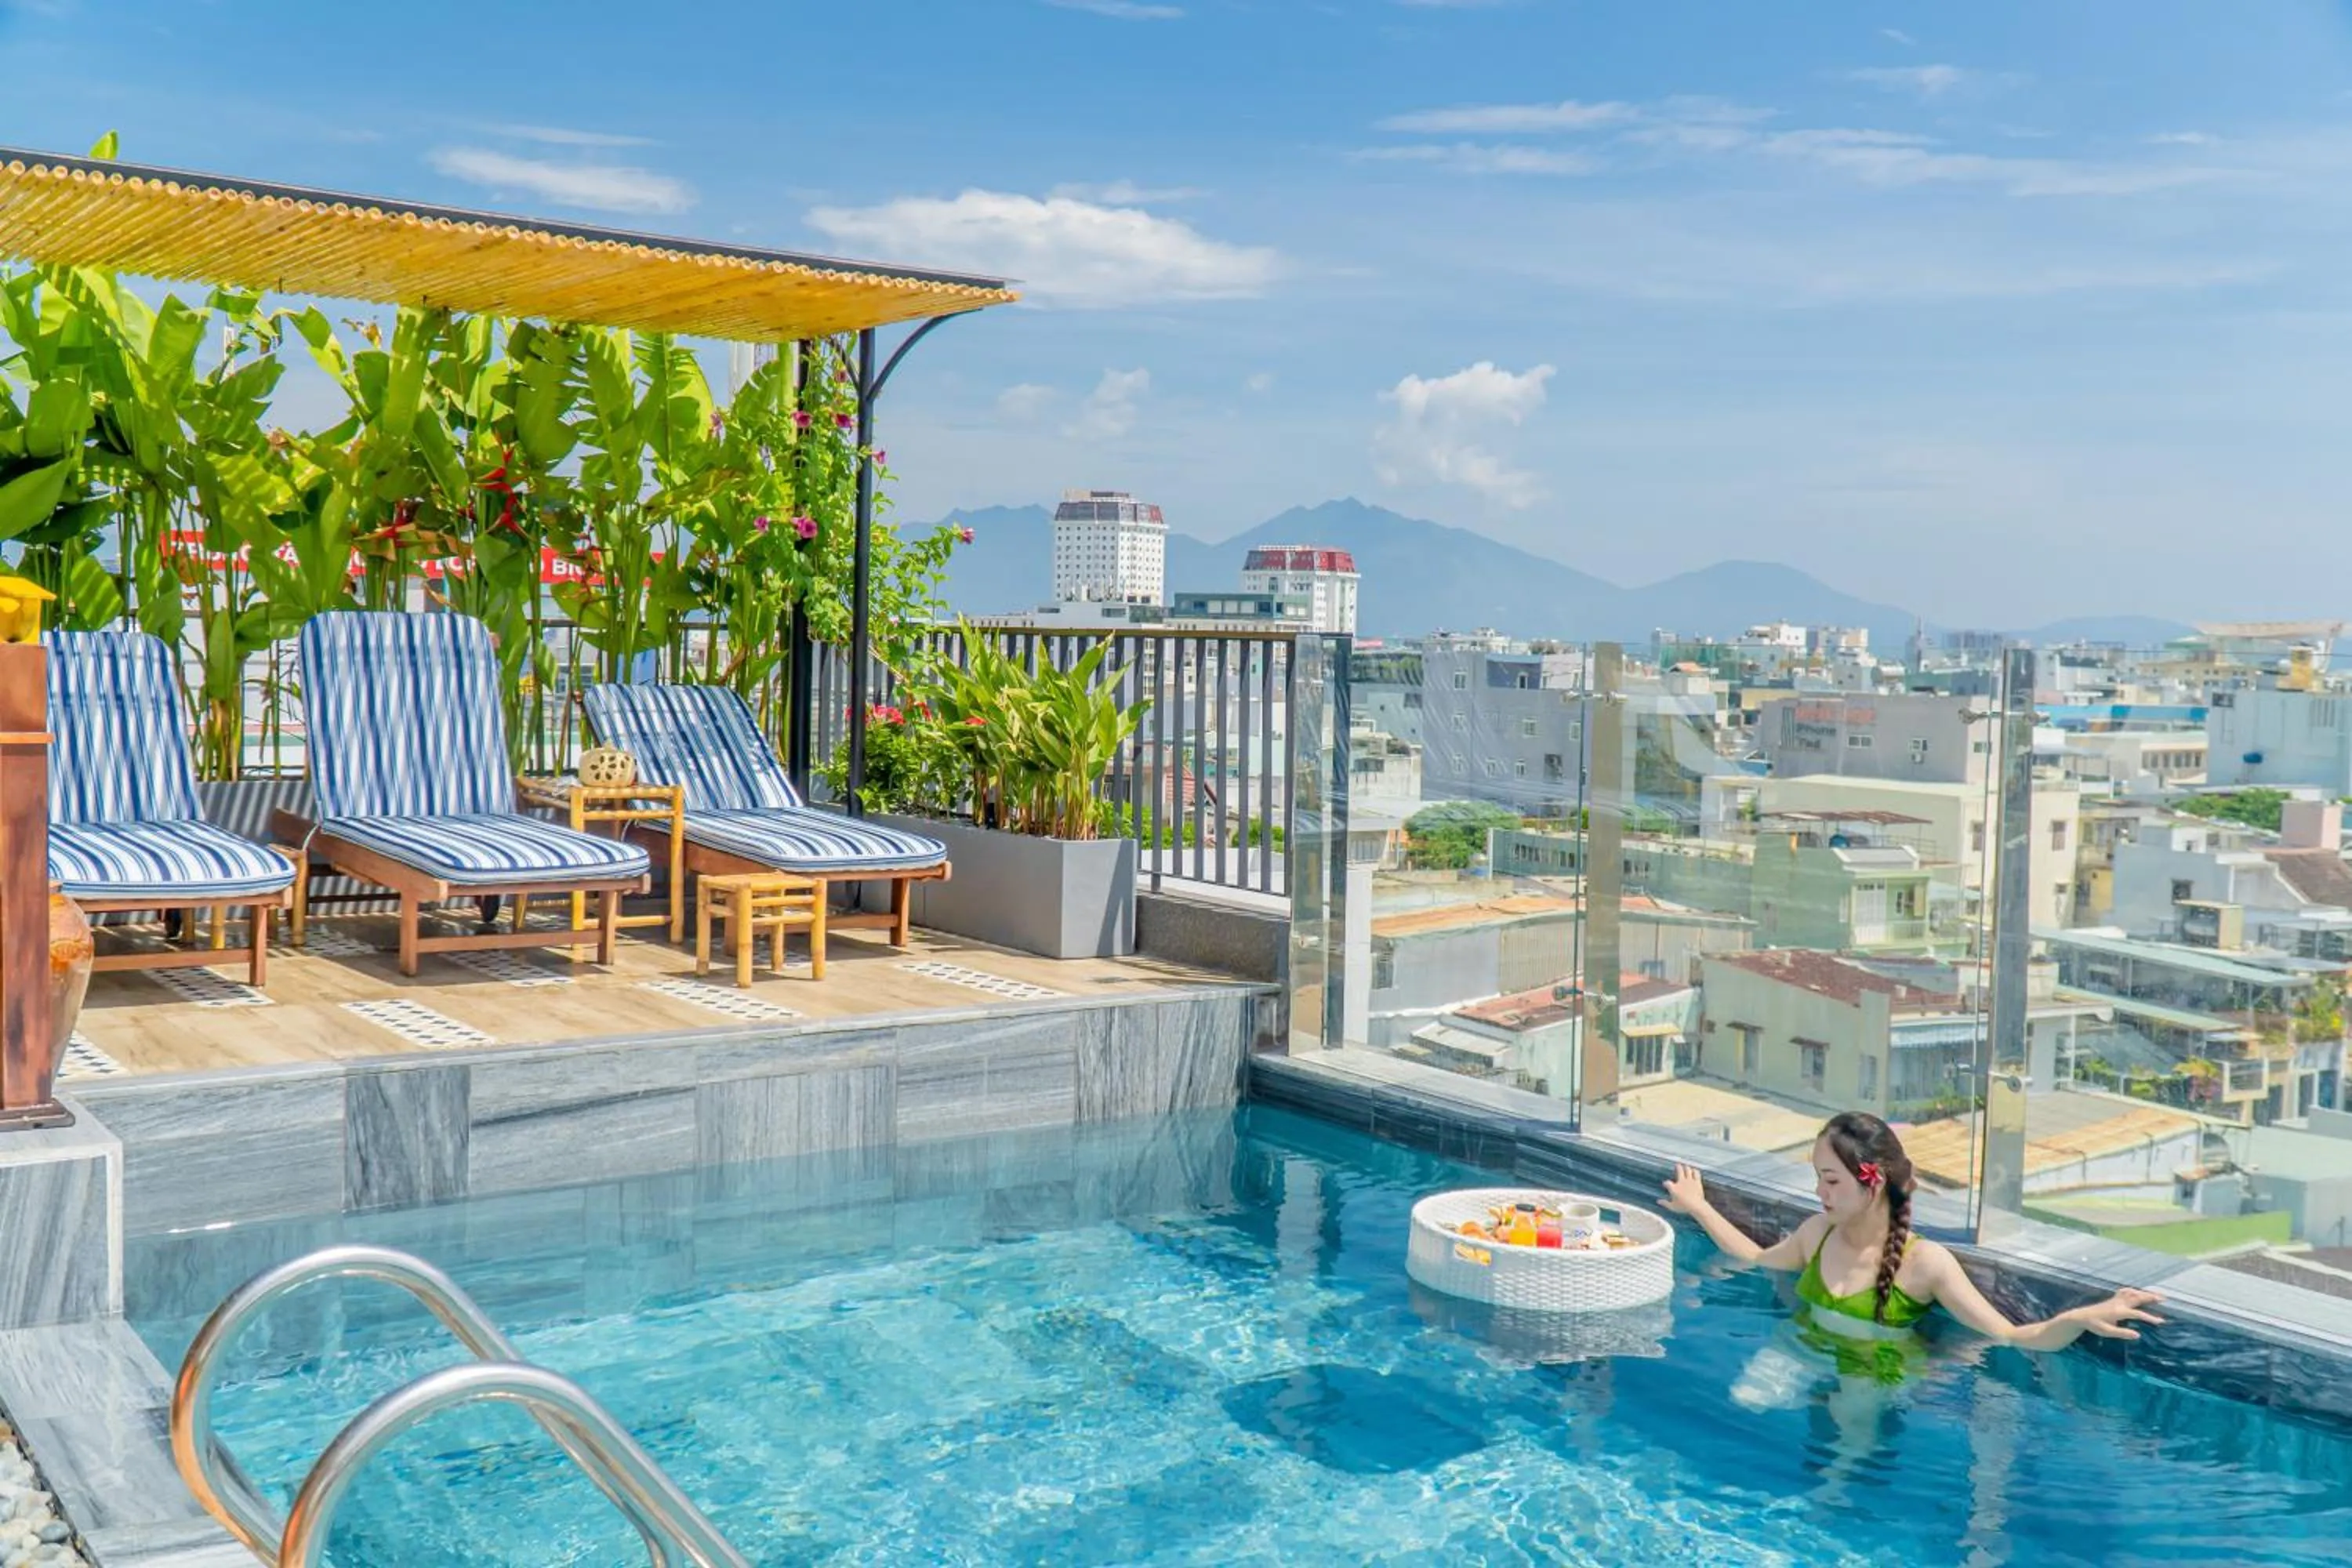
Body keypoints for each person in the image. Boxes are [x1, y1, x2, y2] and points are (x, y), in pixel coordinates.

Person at [1663, 1109, 2164, 1354]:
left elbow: (2013, 1335)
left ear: (1874, 1182)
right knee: (1744, 1408)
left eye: (1831, 1180)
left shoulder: (1926, 1265)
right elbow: (1754, 1258)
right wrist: (1700, 1207)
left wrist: (2079, 1316)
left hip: (1873, 1378)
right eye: (1818, 1178)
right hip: (1803, 1354)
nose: (1820, 1192)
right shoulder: (1817, 1234)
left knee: (1840, 1468)